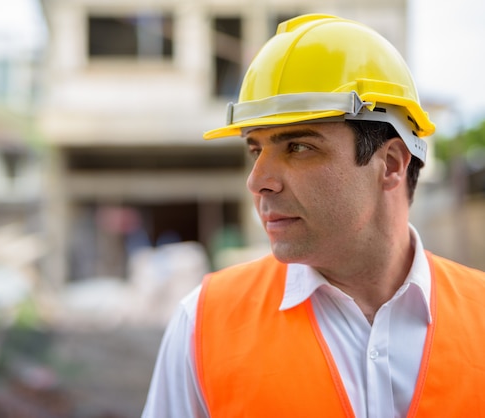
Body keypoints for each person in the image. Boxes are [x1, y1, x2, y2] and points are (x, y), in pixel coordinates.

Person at [141, 13, 485, 418]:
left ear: (391, 163)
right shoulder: (202, 324)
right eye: (256, 150)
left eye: (299, 147)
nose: (258, 181)